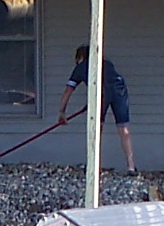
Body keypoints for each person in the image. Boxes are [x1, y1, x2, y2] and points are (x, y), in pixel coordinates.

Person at [56, 44, 136, 174]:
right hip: (120, 89)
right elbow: (108, 83)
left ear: (80, 57)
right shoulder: (106, 63)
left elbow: (68, 91)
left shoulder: (80, 68)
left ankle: (94, 165)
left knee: (97, 128)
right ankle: (131, 166)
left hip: (102, 93)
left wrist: (61, 112)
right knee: (123, 129)